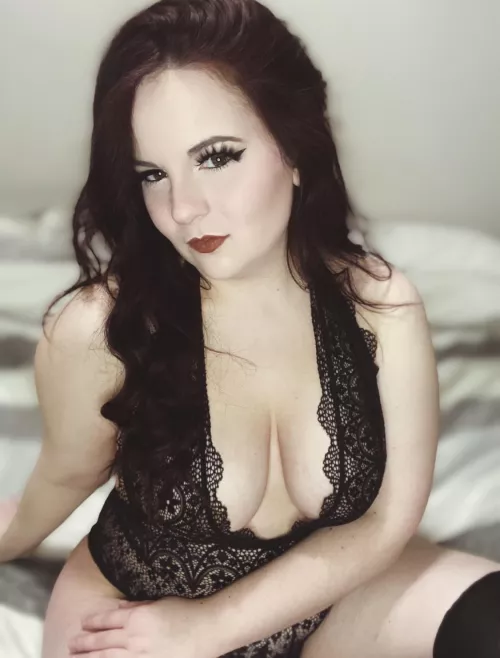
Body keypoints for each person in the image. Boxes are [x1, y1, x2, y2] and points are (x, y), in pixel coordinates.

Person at [0, 0, 499, 656]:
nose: (183, 208)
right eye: (153, 174)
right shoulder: (102, 329)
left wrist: (210, 627)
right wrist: (11, 538)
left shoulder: (381, 307)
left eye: (216, 157)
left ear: (294, 149)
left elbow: (386, 521)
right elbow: (63, 477)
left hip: (325, 599)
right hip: (138, 616)